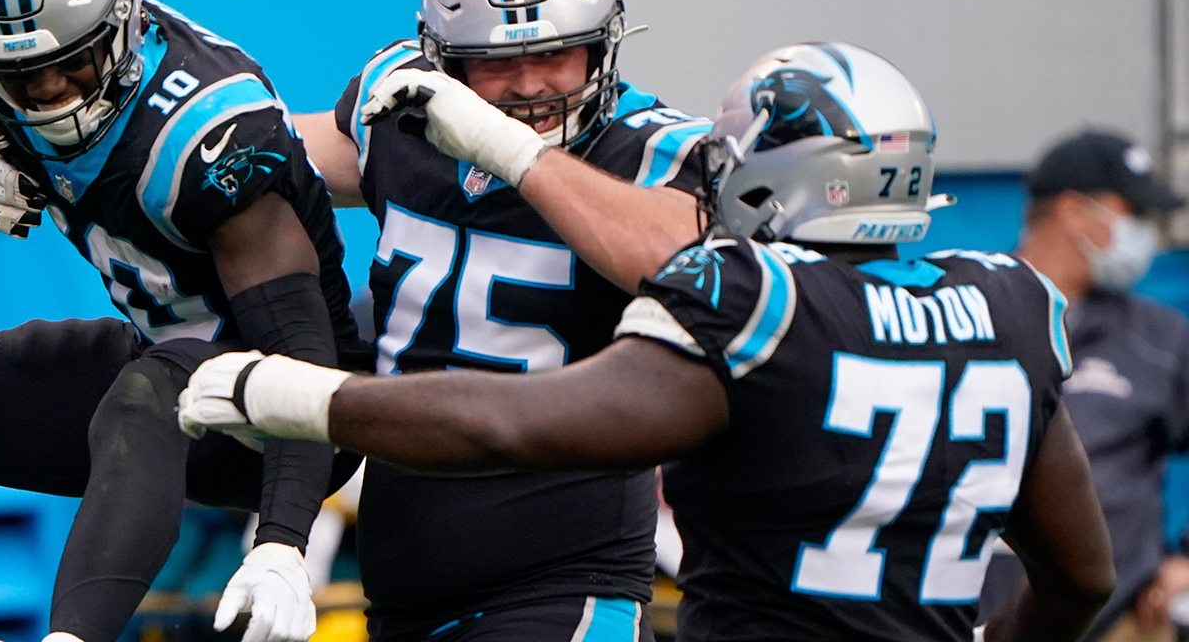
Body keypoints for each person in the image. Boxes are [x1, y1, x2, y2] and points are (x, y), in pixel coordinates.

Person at [181, 42, 1118, 642]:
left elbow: (514, 426)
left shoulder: (760, 301)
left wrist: (292, 393)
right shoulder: (1008, 307)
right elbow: (1082, 576)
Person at [0, 0, 370, 641]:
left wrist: (281, 541)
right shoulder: (22, 85)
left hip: (288, 420)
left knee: (150, 391)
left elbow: (304, 360)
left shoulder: (209, 133)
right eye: (22, 77)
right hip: (157, 369)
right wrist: (14, 142)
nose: (50, 92)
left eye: (73, 62)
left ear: (122, 20)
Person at [286, 0, 710, 639]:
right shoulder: (403, 109)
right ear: (444, 61)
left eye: (555, 54)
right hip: (402, 582)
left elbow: (685, 254)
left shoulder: (650, 148)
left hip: (566, 570)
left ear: (602, 45)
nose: (529, 85)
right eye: (495, 63)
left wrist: (513, 154)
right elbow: (265, 159)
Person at [976, 130, 1189, 642]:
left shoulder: (1159, 338)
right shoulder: (964, 310)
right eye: (1132, 215)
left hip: (1117, 623)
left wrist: (1185, 558)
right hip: (972, 618)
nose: (1145, 235)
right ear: (1073, 212)